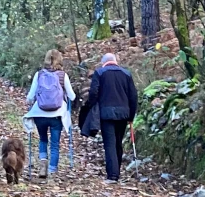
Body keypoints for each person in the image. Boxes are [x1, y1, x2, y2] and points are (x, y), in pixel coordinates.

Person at [85, 52, 138, 182]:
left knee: (109, 143)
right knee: (118, 143)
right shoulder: (126, 74)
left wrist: (92, 106)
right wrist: (131, 116)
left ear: (104, 62)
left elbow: (93, 92)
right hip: (123, 114)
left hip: (106, 114)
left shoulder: (100, 73)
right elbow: (133, 97)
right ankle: (117, 171)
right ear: (115, 61)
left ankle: (112, 175)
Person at [24, 49, 76, 178]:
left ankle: (43, 164)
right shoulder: (63, 75)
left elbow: (30, 97)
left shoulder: (39, 74)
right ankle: (52, 172)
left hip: (39, 113)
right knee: (55, 144)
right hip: (57, 115)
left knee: (42, 139)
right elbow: (72, 96)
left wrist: (33, 100)